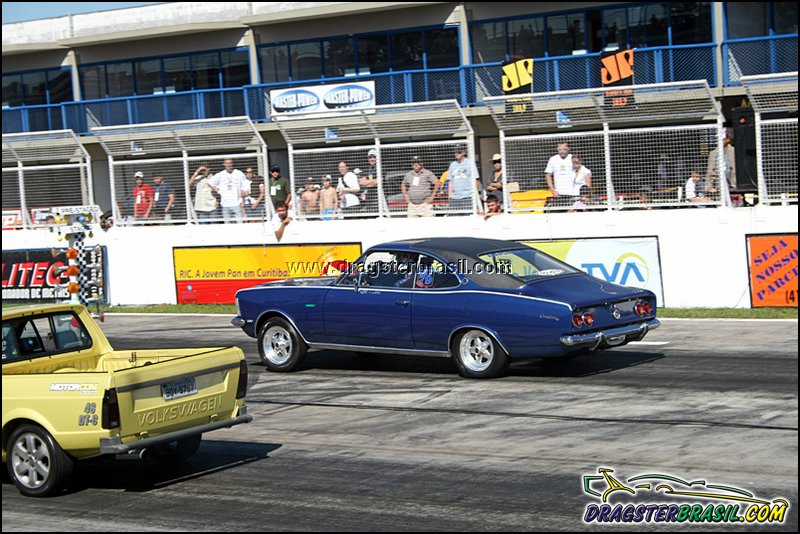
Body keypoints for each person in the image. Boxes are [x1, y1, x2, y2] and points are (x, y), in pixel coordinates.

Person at [209, 158, 246, 224]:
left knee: (240, 224)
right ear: (224, 164)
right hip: (225, 204)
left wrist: (243, 199)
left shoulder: (239, 173)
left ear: (232, 164)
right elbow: (210, 183)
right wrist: (218, 191)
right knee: (227, 225)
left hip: (237, 203)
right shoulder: (220, 174)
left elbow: (244, 186)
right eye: (227, 163)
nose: (228, 165)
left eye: (230, 163)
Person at [447, 148, 481, 212]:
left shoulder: (470, 163)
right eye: (455, 152)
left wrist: (474, 196)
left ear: (464, 153)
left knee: (467, 219)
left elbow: (475, 180)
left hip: (467, 197)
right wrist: (450, 197)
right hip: (454, 198)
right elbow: (450, 182)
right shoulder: (452, 164)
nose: (456, 154)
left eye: (459, 152)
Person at [545, 142, 576, 207]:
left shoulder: (573, 158)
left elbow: (580, 171)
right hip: (558, 193)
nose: (562, 151)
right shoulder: (553, 159)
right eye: (560, 149)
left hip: (573, 193)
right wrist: (553, 191)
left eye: (564, 149)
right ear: (557, 149)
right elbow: (548, 175)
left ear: (568, 149)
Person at [359, 149, 379, 214]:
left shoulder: (380, 168)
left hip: (378, 200)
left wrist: (367, 182)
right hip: (369, 199)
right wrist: (373, 181)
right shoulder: (368, 169)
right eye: (370, 157)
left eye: (374, 157)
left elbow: (378, 182)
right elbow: (361, 182)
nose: (372, 159)